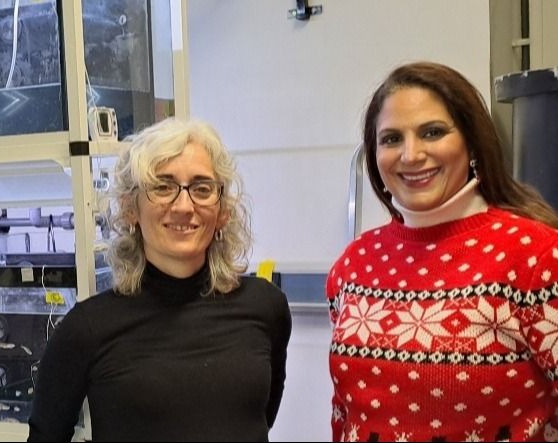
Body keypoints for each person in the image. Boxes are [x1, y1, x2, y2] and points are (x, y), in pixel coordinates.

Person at [327, 61, 558, 442]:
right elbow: (343, 413)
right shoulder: (353, 266)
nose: (411, 154)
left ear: (471, 142)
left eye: (432, 132)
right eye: (391, 139)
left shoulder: (538, 258)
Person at [28, 118, 292, 442]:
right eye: (162, 187)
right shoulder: (87, 329)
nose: (184, 206)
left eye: (202, 188)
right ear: (130, 209)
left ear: (222, 210)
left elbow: (260, 417)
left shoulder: (265, 306)